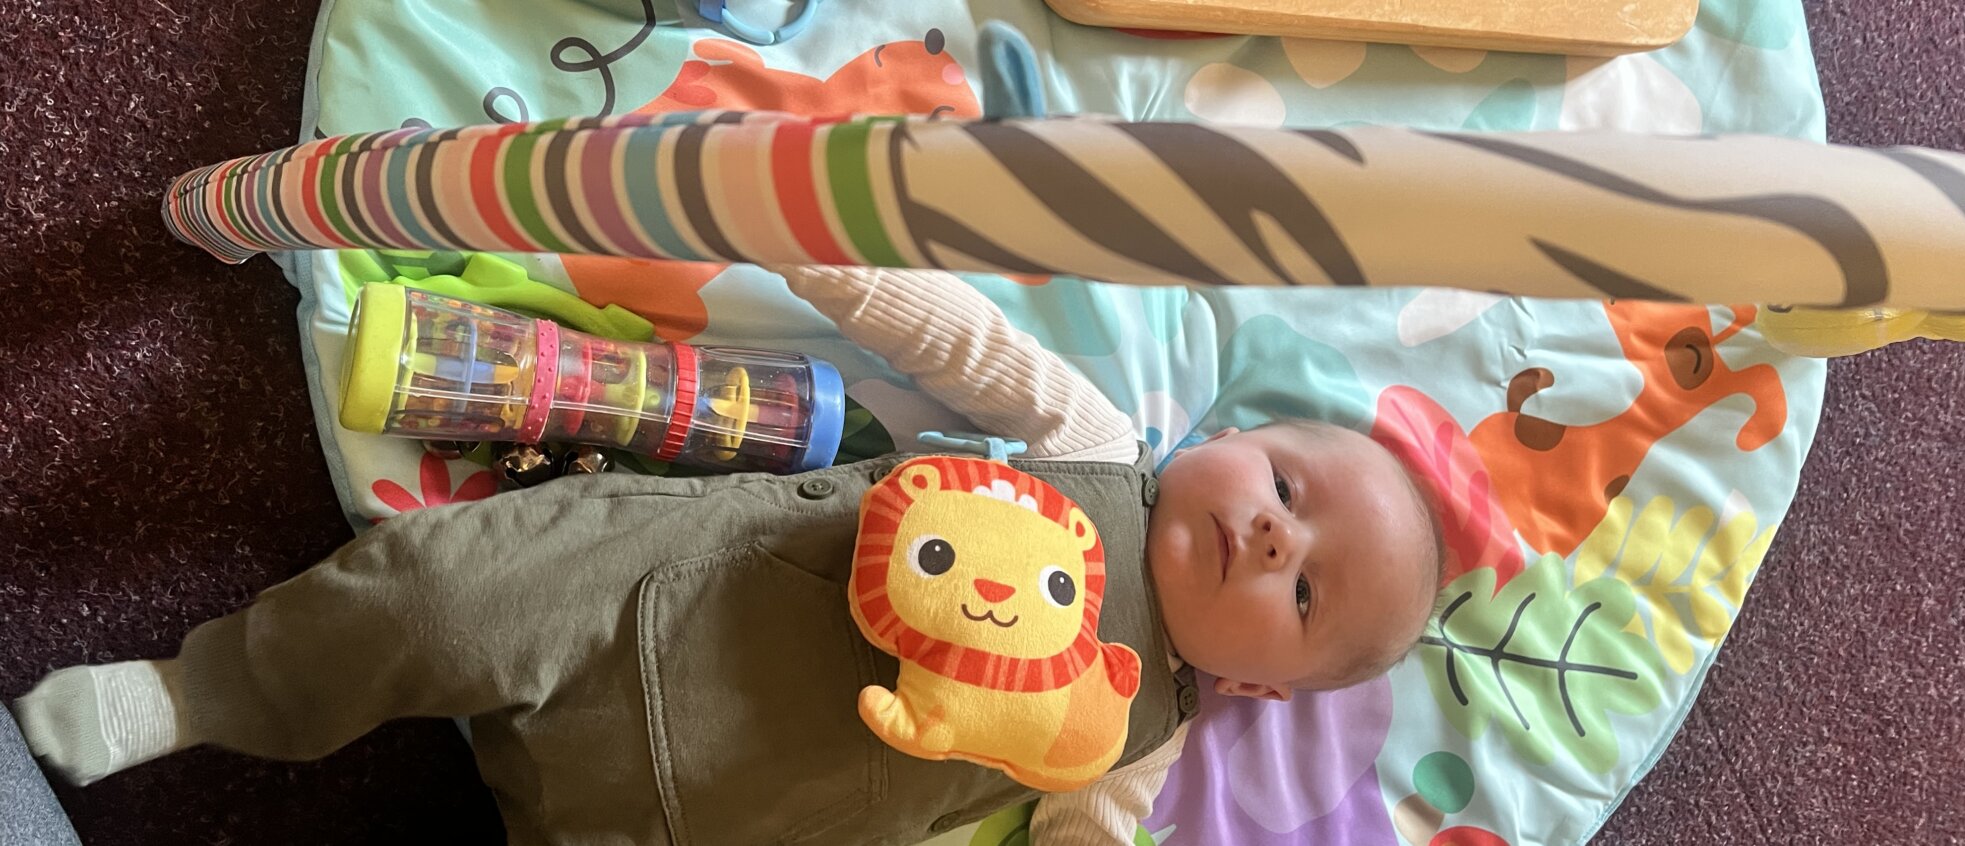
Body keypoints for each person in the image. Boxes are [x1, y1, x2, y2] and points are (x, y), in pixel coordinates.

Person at [12, 265, 1444, 845]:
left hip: (701, 821)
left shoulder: (1136, 746)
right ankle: (202, 693)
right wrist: (839, 259)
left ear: (1258, 690)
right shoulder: (1092, 437)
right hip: (639, 595)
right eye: (1289, 482)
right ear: (1234, 435)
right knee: (437, 593)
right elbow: (964, 344)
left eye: (1302, 587)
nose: (1270, 529)